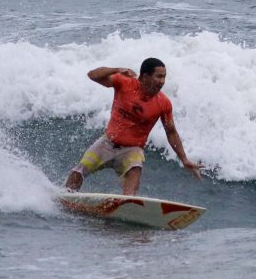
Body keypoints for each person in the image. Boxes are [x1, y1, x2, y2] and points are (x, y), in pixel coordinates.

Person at [66, 57, 203, 196]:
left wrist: (184, 159)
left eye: (164, 77)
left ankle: (127, 205)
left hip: (132, 150)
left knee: (135, 169)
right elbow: (92, 75)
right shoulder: (124, 83)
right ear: (144, 76)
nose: (162, 81)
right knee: (78, 172)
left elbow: (171, 132)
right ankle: (66, 197)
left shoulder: (163, 103)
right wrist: (117, 70)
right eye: (159, 76)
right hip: (107, 143)